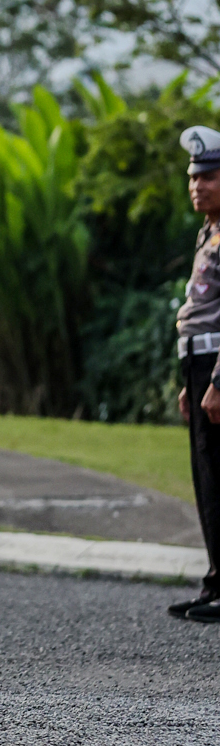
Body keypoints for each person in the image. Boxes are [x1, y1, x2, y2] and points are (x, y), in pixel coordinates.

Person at [170, 125, 220, 622]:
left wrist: (219, 382)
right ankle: (215, 583)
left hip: (217, 366)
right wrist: (192, 384)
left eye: (208, 177)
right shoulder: (209, 231)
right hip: (199, 365)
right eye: (193, 177)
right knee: (207, 480)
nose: (197, 186)